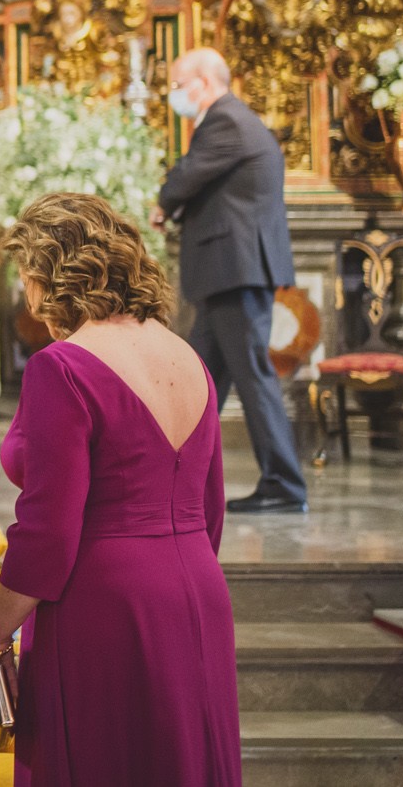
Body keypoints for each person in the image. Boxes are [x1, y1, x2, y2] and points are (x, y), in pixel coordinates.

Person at [0, 192, 240, 787]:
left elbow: (47, 532)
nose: (27, 295)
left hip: (102, 604)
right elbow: (210, 506)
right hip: (197, 592)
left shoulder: (62, 366)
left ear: (47, 275)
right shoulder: (186, 356)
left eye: (25, 277)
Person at [152, 46, 308, 512]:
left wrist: (164, 203)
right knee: (202, 385)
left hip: (235, 273)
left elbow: (183, 179)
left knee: (252, 379)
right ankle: (175, 482)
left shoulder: (225, 119)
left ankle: (284, 485)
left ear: (204, 81)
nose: (176, 95)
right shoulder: (236, 120)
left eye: (180, 85)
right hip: (227, 275)